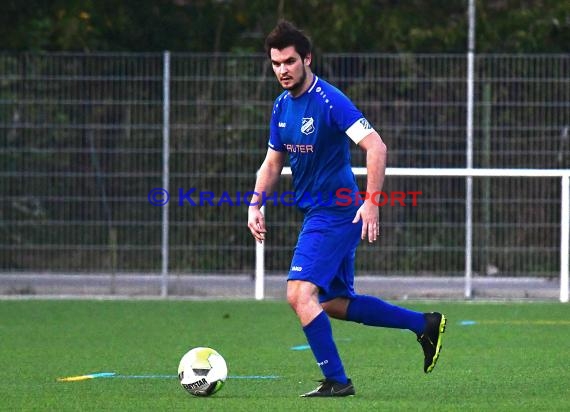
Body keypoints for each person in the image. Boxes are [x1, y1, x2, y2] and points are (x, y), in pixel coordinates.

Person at [247, 20, 446, 397]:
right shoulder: (280, 106)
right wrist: (256, 204)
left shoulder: (329, 100)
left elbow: (376, 147)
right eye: (276, 64)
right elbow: (273, 162)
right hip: (318, 213)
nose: (283, 70)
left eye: (289, 61)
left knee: (298, 294)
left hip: (335, 213)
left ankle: (337, 381)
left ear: (307, 58)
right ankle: (424, 323)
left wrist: (372, 201)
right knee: (335, 303)